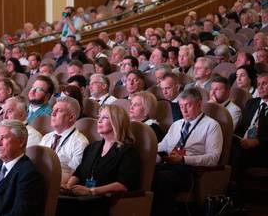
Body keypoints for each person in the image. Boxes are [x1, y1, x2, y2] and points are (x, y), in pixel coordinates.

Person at [57, 105, 140, 216]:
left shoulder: (128, 152)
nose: (99, 121)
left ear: (117, 121)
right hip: (82, 197)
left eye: (105, 117)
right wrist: (68, 186)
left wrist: (91, 191)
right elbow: (79, 171)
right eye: (99, 117)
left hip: (105, 201)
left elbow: (123, 185)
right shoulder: (92, 147)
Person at [152, 88, 223, 216]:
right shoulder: (177, 125)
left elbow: (214, 158)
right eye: (181, 106)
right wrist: (149, 155)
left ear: (199, 104)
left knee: (162, 178)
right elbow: (162, 146)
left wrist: (183, 159)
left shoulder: (211, 125)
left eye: (188, 106)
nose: (183, 110)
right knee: (148, 172)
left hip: (191, 172)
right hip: (170, 165)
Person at [40, 96, 89, 183]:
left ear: (71, 117)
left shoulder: (80, 143)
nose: (52, 113)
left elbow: (72, 175)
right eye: (53, 110)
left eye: (58, 110)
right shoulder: (46, 137)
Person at [232, 73, 268, 181]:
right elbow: (242, 127)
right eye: (258, 84)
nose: (260, 87)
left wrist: (257, 141)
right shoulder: (251, 103)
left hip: (262, 149)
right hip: (243, 144)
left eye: (264, 84)